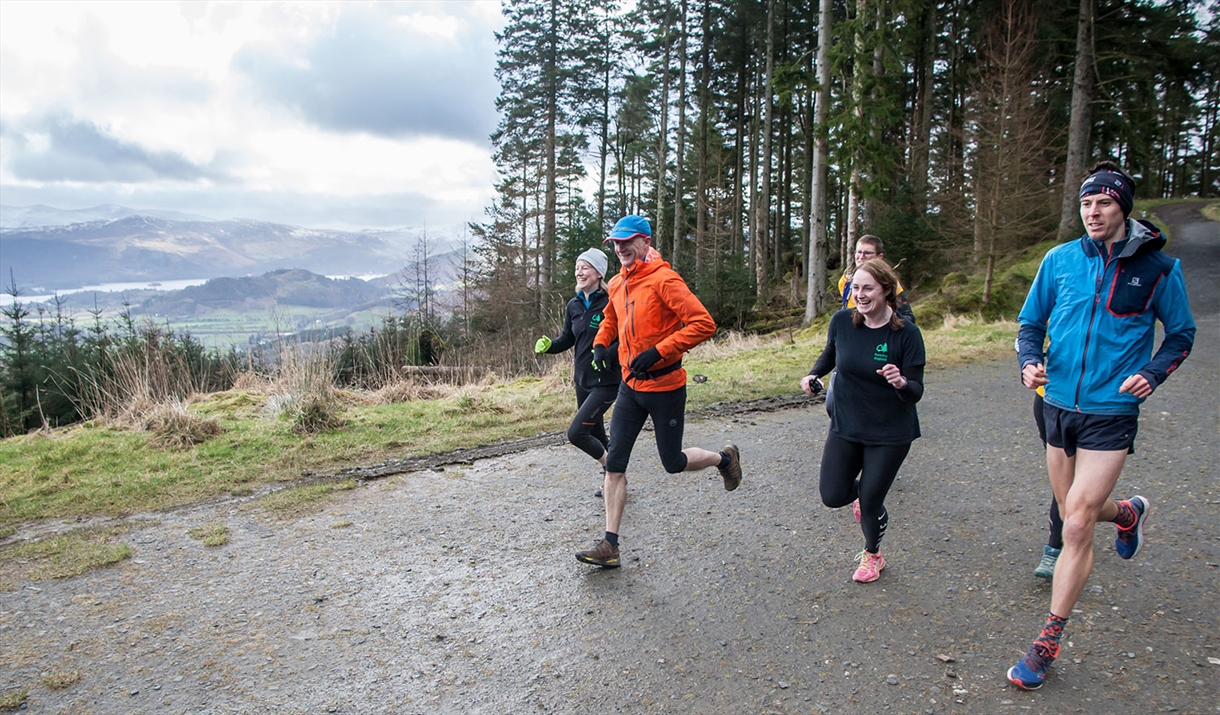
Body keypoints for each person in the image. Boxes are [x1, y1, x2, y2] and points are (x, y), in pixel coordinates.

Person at [1008, 162, 1195, 690]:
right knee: (1075, 510)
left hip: (1111, 413)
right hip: (1057, 404)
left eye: (1104, 203)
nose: (1093, 211)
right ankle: (1129, 514)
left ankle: (1046, 640)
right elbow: (1030, 324)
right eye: (1087, 203)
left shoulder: (1160, 269)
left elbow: (1180, 335)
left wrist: (1152, 373)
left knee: (1075, 523)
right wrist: (1028, 362)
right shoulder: (1059, 260)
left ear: (1123, 209)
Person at [574, 215, 742, 568]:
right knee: (614, 464)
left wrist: (660, 351)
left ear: (646, 242)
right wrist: (603, 344)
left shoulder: (665, 280)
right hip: (630, 387)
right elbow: (611, 318)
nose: (621, 248)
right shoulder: (618, 283)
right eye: (616, 243)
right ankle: (610, 545)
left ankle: (724, 460)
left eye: (628, 242)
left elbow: (703, 323)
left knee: (673, 463)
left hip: (665, 386)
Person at [800, 258, 925, 583]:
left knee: (871, 501)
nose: (860, 295)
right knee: (832, 494)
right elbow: (831, 353)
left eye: (867, 288)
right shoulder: (843, 322)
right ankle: (865, 495)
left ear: (886, 290)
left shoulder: (907, 334)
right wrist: (813, 374)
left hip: (890, 432)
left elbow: (916, 391)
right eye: (855, 288)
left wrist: (900, 383)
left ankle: (873, 554)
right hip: (847, 424)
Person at [535, 248, 620, 497]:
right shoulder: (573, 304)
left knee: (577, 433)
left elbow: (624, 338)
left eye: (585, 267)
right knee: (596, 433)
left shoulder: (610, 302)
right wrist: (551, 346)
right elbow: (568, 338)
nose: (579, 272)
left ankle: (612, 472)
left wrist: (606, 354)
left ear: (598, 273)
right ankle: (616, 482)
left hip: (606, 380)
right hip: (582, 380)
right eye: (577, 267)